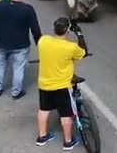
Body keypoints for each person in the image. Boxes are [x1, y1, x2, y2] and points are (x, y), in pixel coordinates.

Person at [35, 17, 88, 150]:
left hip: (44, 84)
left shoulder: (43, 41)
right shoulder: (70, 47)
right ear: (68, 31)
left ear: (54, 29)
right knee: (66, 114)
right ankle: (68, 142)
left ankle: (42, 137)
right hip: (62, 86)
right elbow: (84, 52)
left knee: (44, 110)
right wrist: (80, 34)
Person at [0, 0, 42, 99]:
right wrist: (39, 43)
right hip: (21, 44)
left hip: (1, 42)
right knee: (18, 68)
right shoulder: (27, 9)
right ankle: (16, 92)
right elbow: (35, 29)